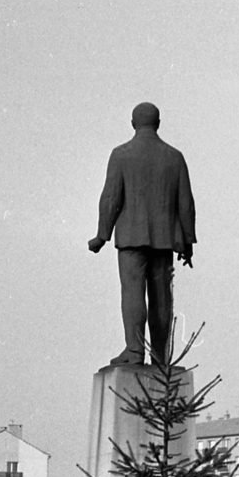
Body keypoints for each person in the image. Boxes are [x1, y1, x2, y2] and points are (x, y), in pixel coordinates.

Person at [88, 102, 197, 366]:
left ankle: (134, 350)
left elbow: (111, 197)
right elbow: (186, 202)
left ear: (133, 123)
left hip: (130, 237)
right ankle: (160, 357)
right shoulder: (175, 156)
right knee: (162, 298)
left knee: (133, 294)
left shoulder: (121, 154)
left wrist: (102, 235)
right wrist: (187, 240)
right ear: (158, 123)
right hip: (165, 239)